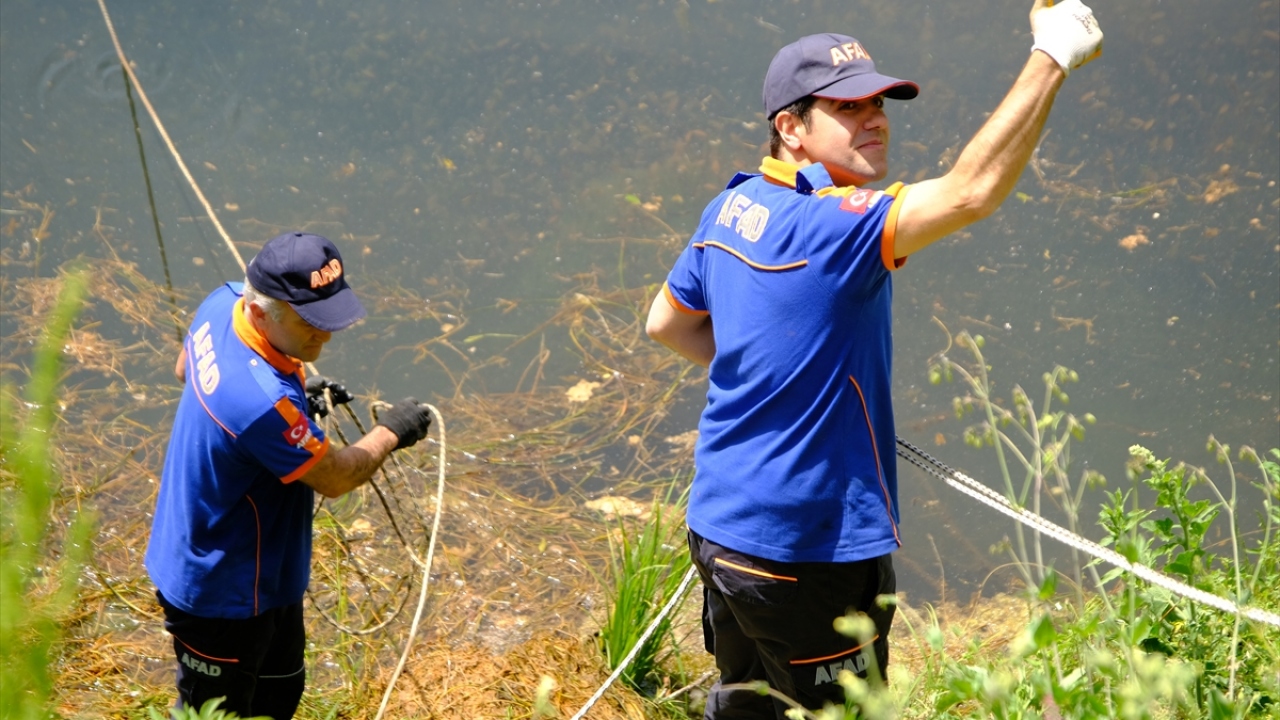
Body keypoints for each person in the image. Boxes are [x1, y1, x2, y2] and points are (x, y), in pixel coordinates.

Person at [645, 1, 1102, 717]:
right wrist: (1053, 56)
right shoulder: (836, 227)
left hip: (723, 531)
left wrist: (779, 380)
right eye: (848, 106)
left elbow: (665, 323)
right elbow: (973, 191)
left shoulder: (731, 208)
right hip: (804, 556)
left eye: (880, 103)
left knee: (746, 704)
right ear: (790, 127)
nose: (877, 118)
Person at [144, 231, 433, 718]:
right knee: (218, 714)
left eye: (330, 319)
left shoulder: (223, 302)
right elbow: (337, 477)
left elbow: (184, 369)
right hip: (218, 587)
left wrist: (297, 399)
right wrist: (391, 432)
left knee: (279, 694)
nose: (325, 336)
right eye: (311, 324)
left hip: (266, 575)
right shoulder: (261, 404)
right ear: (262, 311)